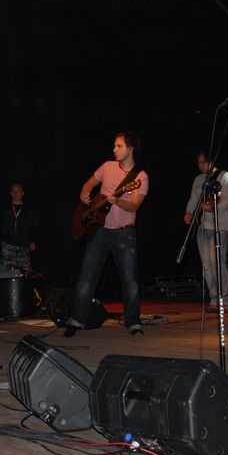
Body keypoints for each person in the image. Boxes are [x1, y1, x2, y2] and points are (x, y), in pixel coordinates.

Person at [64, 132, 148, 337]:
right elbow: (89, 184)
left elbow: (134, 206)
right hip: (99, 231)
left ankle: (133, 322)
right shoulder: (107, 166)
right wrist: (84, 194)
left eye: (119, 146)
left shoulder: (140, 177)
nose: (114, 149)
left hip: (124, 233)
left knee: (130, 281)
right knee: (86, 277)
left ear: (131, 149)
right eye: (114, 145)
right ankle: (76, 320)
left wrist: (117, 200)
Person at [183, 152, 228, 310]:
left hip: (219, 226)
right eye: (198, 163)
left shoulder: (225, 176)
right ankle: (214, 298)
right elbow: (193, 199)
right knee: (206, 265)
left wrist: (212, 207)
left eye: (203, 162)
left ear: (211, 161)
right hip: (202, 226)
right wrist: (189, 213)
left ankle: (226, 299)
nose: (200, 166)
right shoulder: (198, 180)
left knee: (217, 263)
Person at [0, 182, 40, 272]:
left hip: (24, 246)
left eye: (18, 191)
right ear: (10, 193)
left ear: (23, 193)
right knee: (4, 274)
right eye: (13, 191)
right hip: (8, 246)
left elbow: (34, 226)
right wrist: (0, 238)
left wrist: (33, 241)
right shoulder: (3, 208)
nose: (16, 193)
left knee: (25, 274)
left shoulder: (29, 210)